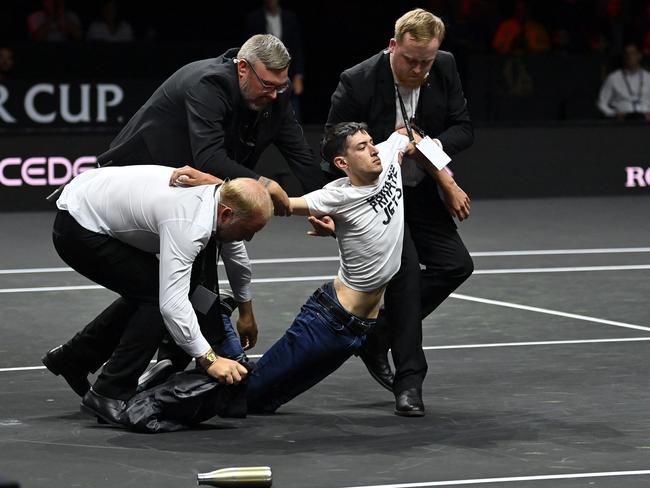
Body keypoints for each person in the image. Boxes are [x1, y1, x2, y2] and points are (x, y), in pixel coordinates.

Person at [158, 122, 429, 418]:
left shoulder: (387, 155)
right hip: (328, 321)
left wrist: (426, 150)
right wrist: (215, 185)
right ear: (342, 163)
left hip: (357, 332)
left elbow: (406, 133)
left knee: (262, 404)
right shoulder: (335, 197)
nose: (373, 150)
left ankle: (221, 336)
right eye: (361, 147)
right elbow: (279, 205)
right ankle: (162, 398)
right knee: (239, 399)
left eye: (371, 142)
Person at [41, 165, 273, 426]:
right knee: (155, 297)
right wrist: (209, 360)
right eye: (249, 230)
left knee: (147, 289)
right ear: (227, 214)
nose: (250, 238)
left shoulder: (219, 199)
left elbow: (237, 257)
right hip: (78, 227)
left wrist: (246, 312)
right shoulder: (189, 224)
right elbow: (172, 305)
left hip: (92, 200)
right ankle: (109, 393)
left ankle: (74, 357)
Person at [326, 8, 474, 416]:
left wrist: (423, 146)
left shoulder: (443, 68)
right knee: (406, 276)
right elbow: (333, 146)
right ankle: (409, 383)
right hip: (378, 198)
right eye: (411, 60)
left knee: (456, 265)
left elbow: (463, 128)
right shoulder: (357, 81)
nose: (419, 69)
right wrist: (382, 149)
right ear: (393, 46)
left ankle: (378, 333)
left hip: (420, 191)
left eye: (427, 61)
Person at [95, 33, 323, 215]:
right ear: (242, 67)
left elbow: (301, 156)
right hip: (136, 177)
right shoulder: (209, 85)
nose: (274, 95)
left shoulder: (276, 95)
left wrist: (326, 209)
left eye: (280, 86)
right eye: (267, 84)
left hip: (186, 182)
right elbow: (210, 158)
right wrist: (264, 185)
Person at [245, 0, 306, 120]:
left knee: (291, 114)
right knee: (262, 112)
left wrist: (298, 76)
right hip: (263, 71)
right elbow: (249, 49)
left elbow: (297, 48)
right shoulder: (254, 18)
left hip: (287, 72)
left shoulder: (289, 18)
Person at [596, 42, 650, 121]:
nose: (629, 56)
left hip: (646, 122)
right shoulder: (613, 78)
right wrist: (613, 114)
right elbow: (601, 103)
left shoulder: (648, 77)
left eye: (632, 53)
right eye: (626, 54)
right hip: (622, 122)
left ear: (639, 55)